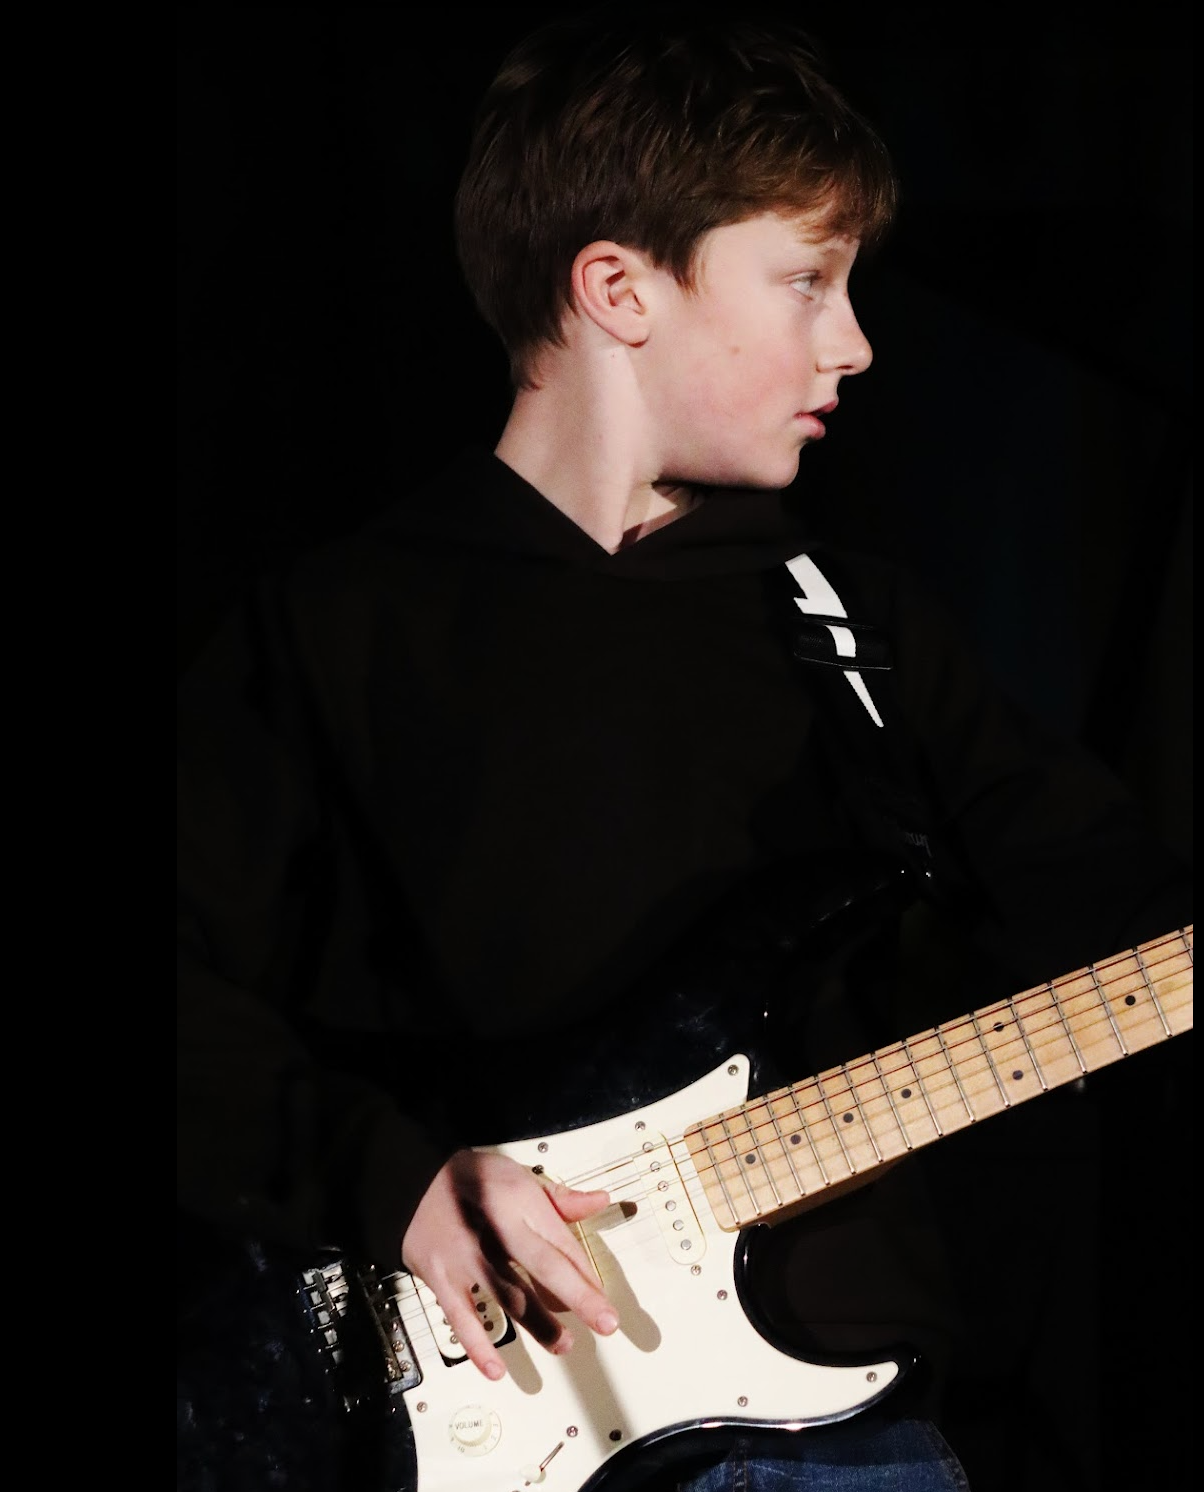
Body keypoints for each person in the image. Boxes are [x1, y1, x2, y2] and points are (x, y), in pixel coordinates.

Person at [177, 9, 1192, 1492]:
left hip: (839, 1436)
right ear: (616, 290)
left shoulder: (860, 629)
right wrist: (393, 1187)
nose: (854, 344)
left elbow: (1115, 909)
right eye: (806, 281)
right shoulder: (331, 631)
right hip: (448, 1428)